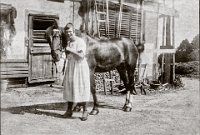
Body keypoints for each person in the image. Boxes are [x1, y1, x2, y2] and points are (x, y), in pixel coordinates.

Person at [62, 23, 90, 121]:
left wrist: (70, 50)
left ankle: (85, 111)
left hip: (80, 67)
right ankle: (69, 110)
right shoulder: (69, 42)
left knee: (82, 87)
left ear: (73, 31)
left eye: (70, 32)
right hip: (71, 66)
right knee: (70, 87)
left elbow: (81, 55)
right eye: (67, 32)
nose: (68, 34)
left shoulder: (80, 41)